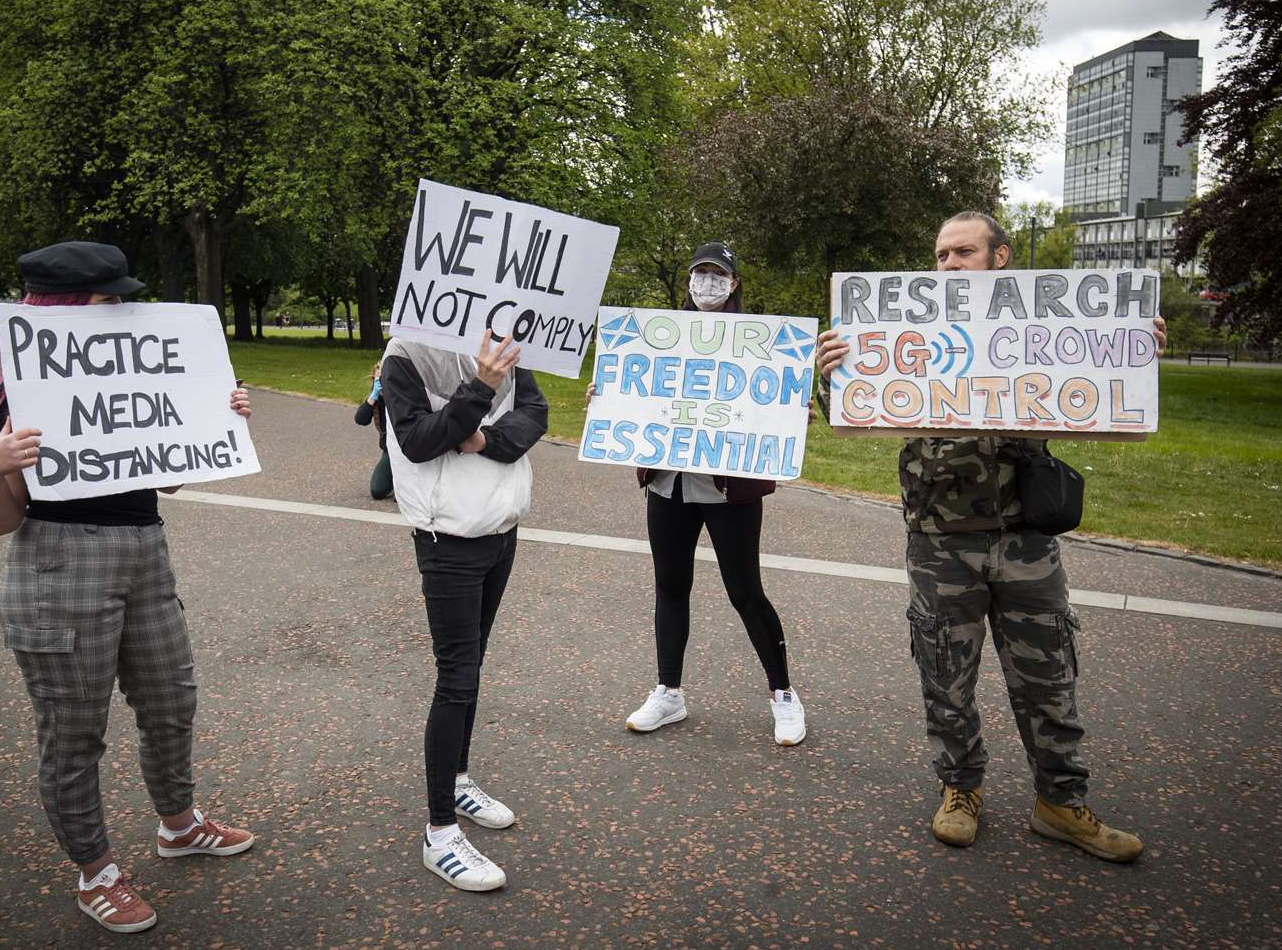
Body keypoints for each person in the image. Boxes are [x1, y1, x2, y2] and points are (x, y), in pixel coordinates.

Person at [815, 212, 1165, 863]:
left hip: (1023, 537)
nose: (947, 265)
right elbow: (848, 414)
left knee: (1047, 676)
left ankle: (1060, 803)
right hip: (939, 540)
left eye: (963, 252)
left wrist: (1130, 348)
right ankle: (959, 789)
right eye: (940, 254)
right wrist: (831, 373)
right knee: (945, 675)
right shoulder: (900, 333)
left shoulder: (1038, 330)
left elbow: (1097, 384)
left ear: (999, 258)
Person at [0, 241, 255, 932]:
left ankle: (179, 826)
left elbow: (164, 476)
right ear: (66, 309)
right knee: (73, 733)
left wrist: (214, 421)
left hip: (145, 553)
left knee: (170, 700)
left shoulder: (131, 372)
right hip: (58, 567)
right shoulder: (16, 391)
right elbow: (0, 521)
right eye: (109, 301)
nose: (125, 311)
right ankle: (94, 871)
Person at [598, 243, 806, 747]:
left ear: (734, 283)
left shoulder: (762, 341)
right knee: (670, 584)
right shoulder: (659, 337)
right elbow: (636, 388)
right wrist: (608, 394)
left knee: (745, 591)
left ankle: (783, 693)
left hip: (728, 488)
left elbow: (775, 398)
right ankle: (669, 690)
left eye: (718, 274)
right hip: (669, 483)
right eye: (699, 273)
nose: (707, 282)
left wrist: (791, 409)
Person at [381, 327, 548, 892]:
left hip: (502, 530)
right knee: (456, 677)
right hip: (447, 539)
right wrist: (478, 387)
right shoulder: (403, 354)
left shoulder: (502, 341)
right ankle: (440, 831)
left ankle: (456, 779)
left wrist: (482, 441)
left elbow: (535, 412)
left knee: (472, 666)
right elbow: (418, 440)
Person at [354, 360, 394, 500]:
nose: (382, 383)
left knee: (403, 496)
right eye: (378, 379)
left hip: (408, 449)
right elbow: (360, 419)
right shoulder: (376, 399)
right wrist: (373, 396)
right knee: (378, 490)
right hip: (390, 450)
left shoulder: (401, 396)